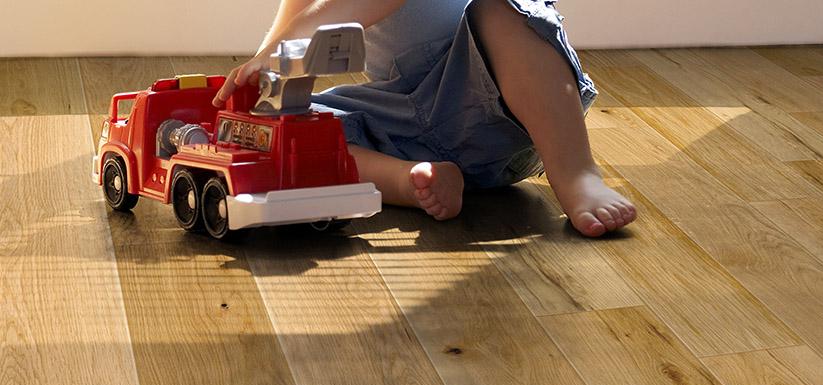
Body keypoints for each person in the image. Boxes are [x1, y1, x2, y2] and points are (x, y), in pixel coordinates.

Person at [213, 0, 637, 237]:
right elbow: (294, 28)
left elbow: (337, 14)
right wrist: (260, 75)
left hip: (494, 96)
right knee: (295, 131)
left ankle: (576, 173)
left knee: (504, 10)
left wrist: (287, 42)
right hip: (406, 117)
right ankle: (410, 180)